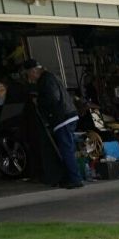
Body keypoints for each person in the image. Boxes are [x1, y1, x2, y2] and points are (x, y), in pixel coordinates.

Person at [20, 59, 82, 189]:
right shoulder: (50, 77)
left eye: (28, 74)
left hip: (62, 117)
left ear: (33, 71)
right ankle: (70, 177)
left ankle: (75, 179)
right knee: (67, 148)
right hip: (68, 114)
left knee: (66, 149)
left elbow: (53, 98)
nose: (29, 78)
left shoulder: (46, 80)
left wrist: (39, 101)